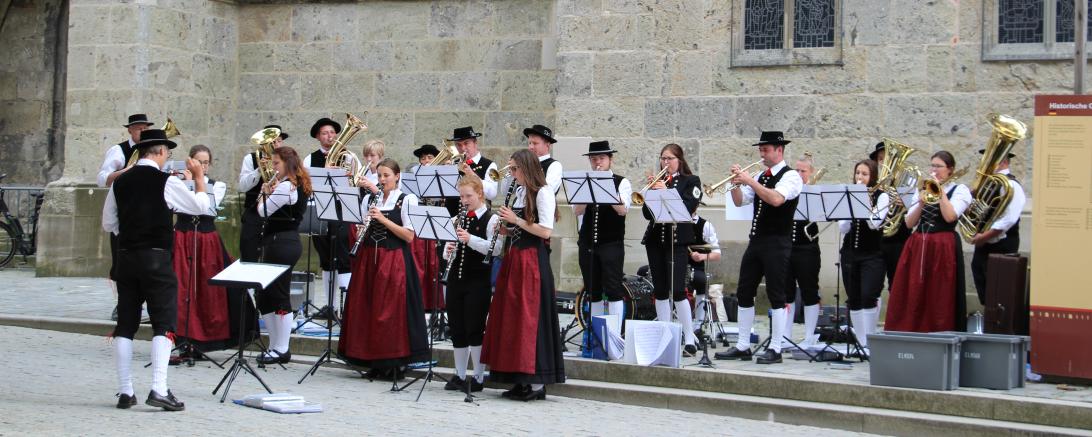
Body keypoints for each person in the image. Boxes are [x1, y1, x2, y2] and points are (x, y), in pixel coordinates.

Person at [102, 128, 210, 411]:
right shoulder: (166, 181)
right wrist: (199, 179)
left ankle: (125, 391)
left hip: (126, 258)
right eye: (167, 154)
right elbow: (200, 207)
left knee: (125, 324)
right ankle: (159, 388)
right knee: (164, 322)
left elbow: (109, 224)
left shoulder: (120, 183)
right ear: (160, 152)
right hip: (156, 258)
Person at [481, 149, 565, 401]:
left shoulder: (544, 192)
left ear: (526, 169)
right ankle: (517, 378)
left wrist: (515, 221)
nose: (512, 174)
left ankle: (536, 383)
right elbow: (521, 227)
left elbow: (545, 231)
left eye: (515, 169)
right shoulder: (520, 191)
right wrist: (505, 229)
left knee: (530, 317)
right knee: (513, 316)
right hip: (515, 257)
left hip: (531, 260)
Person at [715, 131, 802, 365]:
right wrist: (734, 183)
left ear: (779, 150)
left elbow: (776, 199)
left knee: (776, 294)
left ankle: (776, 347)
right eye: (760, 150)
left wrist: (750, 180)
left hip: (777, 242)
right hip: (756, 241)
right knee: (744, 291)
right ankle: (743, 345)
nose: (762, 154)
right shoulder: (760, 176)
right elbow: (740, 201)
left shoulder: (791, 176)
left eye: (766, 150)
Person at [338, 159, 429, 379]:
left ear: (397, 176)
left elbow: (408, 236)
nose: (382, 180)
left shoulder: (407, 200)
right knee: (368, 307)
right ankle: (373, 360)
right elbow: (362, 227)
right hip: (370, 258)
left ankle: (394, 362)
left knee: (391, 312)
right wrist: (361, 230)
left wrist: (382, 219)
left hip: (394, 259)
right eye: (379, 176)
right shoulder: (370, 198)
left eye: (386, 175)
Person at [172, 145, 249, 358]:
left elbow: (205, 208)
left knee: (207, 289)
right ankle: (181, 338)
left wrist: (195, 183)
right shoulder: (177, 183)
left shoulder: (218, 185)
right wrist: (186, 182)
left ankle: (204, 339)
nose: (203, 166)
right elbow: (178, 207)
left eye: (206, 163)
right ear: (190, 162)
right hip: (183, 237)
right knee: (182, 288)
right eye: (199, 162)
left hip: (206, 239)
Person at [886, 151, 972, 332]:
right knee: (913, 290)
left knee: (939, 293)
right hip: (918, 244)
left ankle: (938, 332)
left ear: (950, 170)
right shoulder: (923, 189)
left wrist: (940, 191)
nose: (934, 170)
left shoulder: (960, 190)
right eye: (932, 165)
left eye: (939, 166)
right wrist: (921, 201)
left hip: (943, 246)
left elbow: (950, 216)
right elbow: (909, 223)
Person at [640, 143, 702, 356]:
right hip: (656, 241)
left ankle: (690, 337)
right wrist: (650, 194)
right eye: (662, 159)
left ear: (679, 161)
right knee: (660, 291)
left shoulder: (690, 181)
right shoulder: (659, 182)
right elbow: (647, 215)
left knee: (678, 291)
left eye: (669, 159)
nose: (665, 163)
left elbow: (688, 207)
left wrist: (666, 191)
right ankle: (665, 336)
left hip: (677, 242)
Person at [441, 177, 501, 392]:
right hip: (456, 279)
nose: (465, 200)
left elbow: (495, 249)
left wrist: (470, 239)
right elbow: (447, 249)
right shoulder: (458, 218)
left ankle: (478, 376)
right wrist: (447, 251)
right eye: (462, 196)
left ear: (480, 195)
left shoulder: (492, 219)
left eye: (469, 196)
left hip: (478, 281)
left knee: (475, 328)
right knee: (457, 327)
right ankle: (458, 374)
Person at [254, 147, 310, 365]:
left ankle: (282, 347)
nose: (274, 167)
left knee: (278, 293)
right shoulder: (293, 184)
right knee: (265, 294)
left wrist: (264, 192)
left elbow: (262, 211)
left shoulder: (287, 186)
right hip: (280, 242)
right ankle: (275, 345)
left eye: (276, 163)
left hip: (282, 242)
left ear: (287, 163)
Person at [99, 113, 154, 320]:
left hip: (147, 213)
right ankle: (122, 304)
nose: (142, 131)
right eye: (139, 128)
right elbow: (102, 179)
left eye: (145, 128)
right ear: (130, 130)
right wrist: (129, 170)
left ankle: (146, 304)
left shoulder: (152, 150)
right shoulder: (119, 150)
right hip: (125, 213)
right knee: (121, 262)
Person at [573, 141, 631, 320]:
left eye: (602, 158)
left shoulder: (622, 182)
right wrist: (587, 188)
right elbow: (577, 210)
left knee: (613, 289)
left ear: (610, 160)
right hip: (587, 242)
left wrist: (604, 184)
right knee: (593, 291)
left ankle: (613, 337)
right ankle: (596, 335)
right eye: (593, 159)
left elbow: (622, 210)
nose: (597, 162)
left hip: (611, 244)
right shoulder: (584, 181)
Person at [304, 117, 352, 317]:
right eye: (325, 133)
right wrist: (324, 173)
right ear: (318, 136)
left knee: (342, 257)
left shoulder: (348, 157)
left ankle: (346, 307)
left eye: (332, 132)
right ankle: (330, 306)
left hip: (341, 211)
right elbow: (306, 186)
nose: (330, 136)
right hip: (320, 210)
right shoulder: (309, 159)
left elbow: (353, 183)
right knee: (325, 259)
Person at [838, 160, 887, 354]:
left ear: (872, 177)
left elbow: (874, 223)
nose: (860, 177)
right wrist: (850, 205)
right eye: (858, 173)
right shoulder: (849, 194)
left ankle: (869, 340)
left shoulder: (882, 197)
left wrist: (863, 201)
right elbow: (843, 228)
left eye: (865, 174)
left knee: (868, 295)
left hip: (873, 254)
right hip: (850, 253)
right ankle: (860, 341)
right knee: (854, 297)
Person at [969, 149, 1025, 306]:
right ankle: (990, 320)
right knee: (983, 281)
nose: (985, 163)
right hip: (984, 245)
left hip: (1002, 245)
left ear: (1004, 162)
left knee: (1000, 290)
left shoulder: (1011, 185)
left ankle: (999, 325)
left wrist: (984, 237)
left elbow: (1009, 219)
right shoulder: (988, 184)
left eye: (991, 159)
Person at [784, 153, 822, 348]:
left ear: (811, 173)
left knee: (809, 290)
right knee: (786, 292)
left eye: (803, 171)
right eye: (796, 170)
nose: (799, 174)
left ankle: (809, 336)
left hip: (807, 247)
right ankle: (786, 336)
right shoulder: (787, 191)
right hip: (787, 246)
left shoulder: (814, 192)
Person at [238, 125, 289, 263]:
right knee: (249, 252)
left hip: (277, 214)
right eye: (273, 142)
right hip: (254, 212)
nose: (276, 144)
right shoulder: (251, 159)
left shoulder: (287, 161)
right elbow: (242, 186)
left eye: (279, 141)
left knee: (274, 254)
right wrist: (259, 170)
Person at [871, 141, 910, 309]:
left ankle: (895, 323)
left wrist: (905, 203)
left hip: (899, 239)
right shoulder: (872, 185)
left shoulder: (907, 182)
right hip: (876, 240)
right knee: (873, 285)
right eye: (881, 159)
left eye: (886, 159)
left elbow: (915, 211)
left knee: (898, 283)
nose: (884, 163)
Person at [688, 213, 721, 336]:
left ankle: (698, 324)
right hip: (675, 265)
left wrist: (701, 256)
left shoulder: (705, 225)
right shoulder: (675, 223)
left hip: (695, 268)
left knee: (701, 280)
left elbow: (717, 254)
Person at [524, 124, 563, 195]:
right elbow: (504, 191)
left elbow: (547, 191)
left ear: (547, 145)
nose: (531, 147)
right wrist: (512, 172)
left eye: (535, 143)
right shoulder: (525, 163)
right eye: (529, 143)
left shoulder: (555, 165)